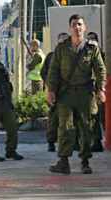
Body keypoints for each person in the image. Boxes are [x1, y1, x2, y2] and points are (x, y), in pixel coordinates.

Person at [46, 14, 107, 174]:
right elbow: (53, 71)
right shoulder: (61, 48)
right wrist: (50, 90)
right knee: (65, 127)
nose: (77, 27)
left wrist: (101, 89)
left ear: (84, 27)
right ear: (69, 27)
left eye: (80, 24)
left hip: (85, 94)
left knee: (87, 127)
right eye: (74, 24)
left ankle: (85, 162)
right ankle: (63, 161)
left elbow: (100, 69)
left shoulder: (92, 48)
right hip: (66, 94)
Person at [40, 32, 69, 152]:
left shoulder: (72, 55)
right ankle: (51, 142)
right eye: (61, 40)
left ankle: (74, 142)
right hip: (56, 92)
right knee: (54, 119)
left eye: (65, 40)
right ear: (57, 42)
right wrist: (50, 86)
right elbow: (44, 72)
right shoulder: (51, 56)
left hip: (69, 92)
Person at [86, 31, 105, 152]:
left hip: (102, 89)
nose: (91, 41)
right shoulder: (85, 56)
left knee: (104, 116)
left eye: (93, 39)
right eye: (88, 39)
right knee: (94, 116)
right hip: (91, 90)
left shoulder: (103, 55)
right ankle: (97, 141)